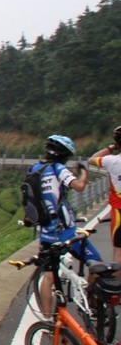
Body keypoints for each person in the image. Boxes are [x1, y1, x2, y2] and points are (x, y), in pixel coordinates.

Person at [31, 134, 98, 317]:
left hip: (46, 233)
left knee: (48, 277)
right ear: (65, 155)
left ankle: (47, 319)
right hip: (66, 232)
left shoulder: (35, 169)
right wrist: (83, 173)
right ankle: (91, 304)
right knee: (96, 265)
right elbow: (79, 186)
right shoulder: (59, 169)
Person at [89, 125, 121, 264]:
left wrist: (112, 147)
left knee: (119, 252)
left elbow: (92, 159)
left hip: (119, 210)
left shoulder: (111, 161)